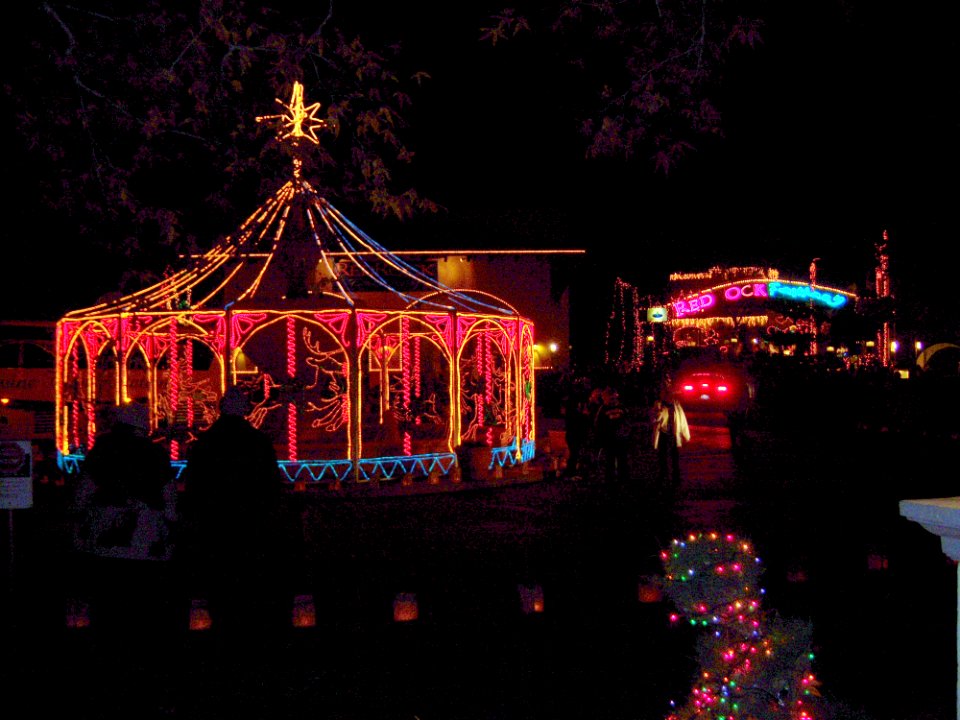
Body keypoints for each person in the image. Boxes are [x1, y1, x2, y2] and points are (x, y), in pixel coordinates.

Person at [70, 401, 179, 714]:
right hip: (145, 541)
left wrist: (82, 518)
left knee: (107, 605)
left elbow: (83, 492)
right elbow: (169, 498)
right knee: (144, 608)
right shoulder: (153, 453)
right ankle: (143, 670)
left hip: (106, 540)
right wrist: (169, 524)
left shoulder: (103, 449)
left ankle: (108, 669)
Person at [176, 386, 293, 663]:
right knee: (249, 582)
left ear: (220, 406)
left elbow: (194, 488)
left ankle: (223, 640)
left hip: (215, 525)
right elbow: (271, 486)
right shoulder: (258, 442)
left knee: (220, 585)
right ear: (244, 409)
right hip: (250, 524)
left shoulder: (205, 444)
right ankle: (250, 642)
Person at [593, 386, 631, 481]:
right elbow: (598, 424)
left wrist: (626, 433)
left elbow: (628, 421)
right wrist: (601, 438)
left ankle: (623, 479)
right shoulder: (603, 409)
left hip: (621, 439)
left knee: (622, 460)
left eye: (614, 398)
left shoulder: (622, 407)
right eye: (610, 398)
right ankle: (610, 480)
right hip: (609, 440)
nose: (613, 400)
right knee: (610, 461)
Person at [652, 397, 691, 486]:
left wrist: (686, 435)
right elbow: (654, 420)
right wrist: (660, 412)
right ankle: (663, 476)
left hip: (673, 435)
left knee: (675, 457)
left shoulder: (676, 405)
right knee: (663, 457)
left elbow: (682, 420)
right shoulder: (658, 404)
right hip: (663, 434)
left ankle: (676, 477)